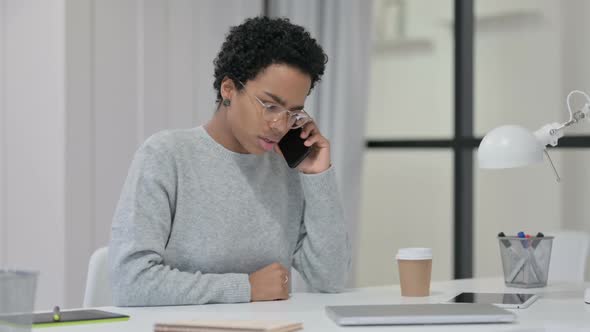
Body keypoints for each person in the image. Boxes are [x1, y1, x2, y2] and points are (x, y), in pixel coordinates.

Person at [109, 16, 350, 306]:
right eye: (270, 105)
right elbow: (130, 282)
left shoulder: (287, 168)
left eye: (293, 113)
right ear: (228, 89)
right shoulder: (166, 155)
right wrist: (246, 288)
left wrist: (317, 176)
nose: (280, 124)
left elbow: (330, 280)